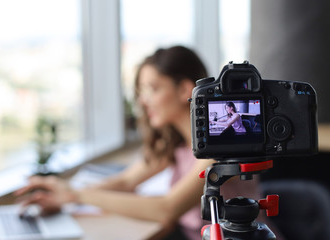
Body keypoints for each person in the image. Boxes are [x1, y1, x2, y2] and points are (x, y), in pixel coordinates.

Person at [15, 46, 274, 240]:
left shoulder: (219, 148)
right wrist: (63, 191)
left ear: (184, 89)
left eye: (153, 89)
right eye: (141, 91)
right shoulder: (177, 143)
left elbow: (167, 209)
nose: (143, 101)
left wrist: (75, 195)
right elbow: (127, 181)